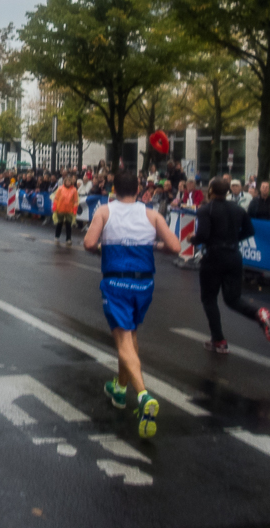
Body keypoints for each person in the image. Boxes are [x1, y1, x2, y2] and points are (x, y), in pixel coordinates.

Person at [83, 171, 180, 439]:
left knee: (123, 339)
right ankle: (119, 387)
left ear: (113, 190)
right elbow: (175, 246)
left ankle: (144, 395)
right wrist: (153, 245)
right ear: (139, 190)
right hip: (144, 284)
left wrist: (103, 247)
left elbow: (89, 243)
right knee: (131, 333)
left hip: (116, 282)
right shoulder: (151, 215)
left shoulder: (105, 211)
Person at [194, 178, 270, 353]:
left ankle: (219, 340)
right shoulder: (238, 209)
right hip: (234, 256)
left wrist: (191, 239)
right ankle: (258, 314)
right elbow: (250, 231)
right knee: (233, 299)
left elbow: (202, 235)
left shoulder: (205, 210)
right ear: (227, 192)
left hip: (213, 257)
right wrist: (232, 240)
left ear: (210, 191)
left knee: (209, 299)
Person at [52, 174, 79, 245]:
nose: (68, 182)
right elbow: (56, 198)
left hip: (69, 210)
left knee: (68, 225)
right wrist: (54, 206)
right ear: (64, 181)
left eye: (69, 181)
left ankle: (68, 238)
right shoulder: (60, 189)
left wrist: (75, 209)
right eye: (67, 181)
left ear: (71, 182)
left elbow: (76, 200)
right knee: (59, 224)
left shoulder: (74, 190)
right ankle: (57, 236)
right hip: (60, 209)